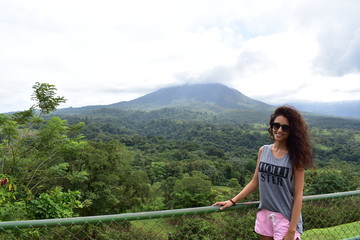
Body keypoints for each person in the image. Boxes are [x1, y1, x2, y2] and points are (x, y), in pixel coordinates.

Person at [213, 105, 314, 240]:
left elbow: (298, 195)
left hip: (285, 217)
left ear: (292, 131)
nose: (279, 130)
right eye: (276, 125)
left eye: (285, 127)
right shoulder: (263, 150)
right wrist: (233, 200)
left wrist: (292, 229)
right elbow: (255, 181)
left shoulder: (296, 157)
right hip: (265, 213)